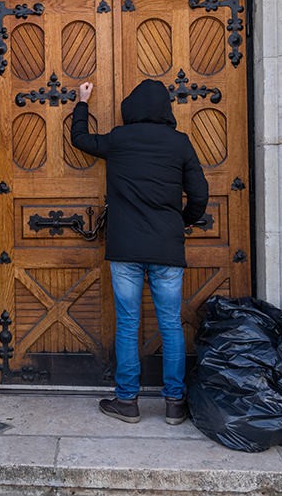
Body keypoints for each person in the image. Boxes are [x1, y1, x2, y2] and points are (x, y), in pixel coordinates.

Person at [71, 78, 209, 425]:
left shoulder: (119, 139)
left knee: (128, 323)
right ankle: (175, 403)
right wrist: (184, 220)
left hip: (126, 249)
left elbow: (81, 140)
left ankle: (127, 401)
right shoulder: (179, 144)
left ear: (131, 107)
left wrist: (82, 102)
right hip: (167, 247)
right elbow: (200, 194)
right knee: (171, 325)